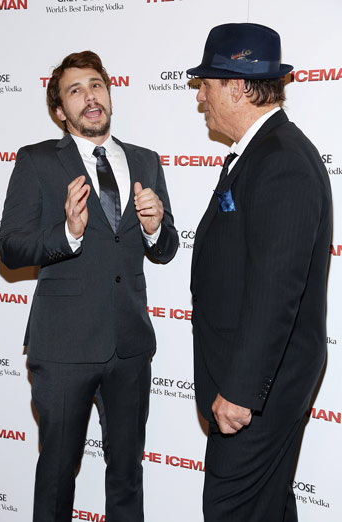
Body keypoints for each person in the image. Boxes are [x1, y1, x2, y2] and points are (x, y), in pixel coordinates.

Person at [0, 50, 178, 522]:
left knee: (127, 475)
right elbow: (11, 248)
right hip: (62, 348)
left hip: (130, 346)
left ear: (109, 94)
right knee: (57, 474)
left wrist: (157, 227)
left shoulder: (146, 161)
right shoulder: (36, 162)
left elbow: (165, 248)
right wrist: (67, 234)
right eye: (74, 91)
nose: (89, 97)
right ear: (60, 111)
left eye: (95, 85)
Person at [187, 23, 332, 521]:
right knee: (265, 509)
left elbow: (277, 290)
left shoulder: (281, 160)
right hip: (256, 387)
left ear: (239, 86)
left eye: (207, 84)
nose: (200, 97)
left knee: (233, 511)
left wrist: (243, 391)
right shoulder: (260, 154)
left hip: (256, 393)